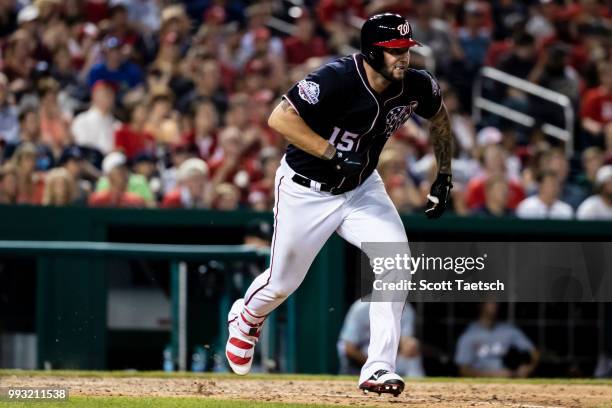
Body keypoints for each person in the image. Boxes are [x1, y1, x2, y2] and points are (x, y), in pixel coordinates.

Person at [224, 14, 453, 397]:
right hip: (306, 190)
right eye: (394, 50)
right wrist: (330, 152)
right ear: (371, 51)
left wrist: (444, 175)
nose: (403, 57)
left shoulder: (416, 84)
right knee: (282, 284)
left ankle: (378, 366)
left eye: (406, 49)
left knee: (396, 262)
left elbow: (440, 119)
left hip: (362, 189)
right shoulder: (337, 78)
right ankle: (247, 316)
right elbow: (279, 118)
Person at [338, 298, 424, 378]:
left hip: (390, 357)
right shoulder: (361, 307)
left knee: (412, 350)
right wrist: (373, 364)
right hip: (363, 355)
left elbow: (405, 339)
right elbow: (348, 347)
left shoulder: (405, 308)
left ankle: (417, 387)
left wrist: (408, 344)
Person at [455, 302, 539, 378]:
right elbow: (463, 370)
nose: (495, 305)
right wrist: (493, 374)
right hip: (480, 383)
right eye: (491, 302)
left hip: (508, 380)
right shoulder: (469, 334)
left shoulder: (508, 330)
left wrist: (529, 368)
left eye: (497, 302)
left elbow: (533, 351)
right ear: (481, 305)